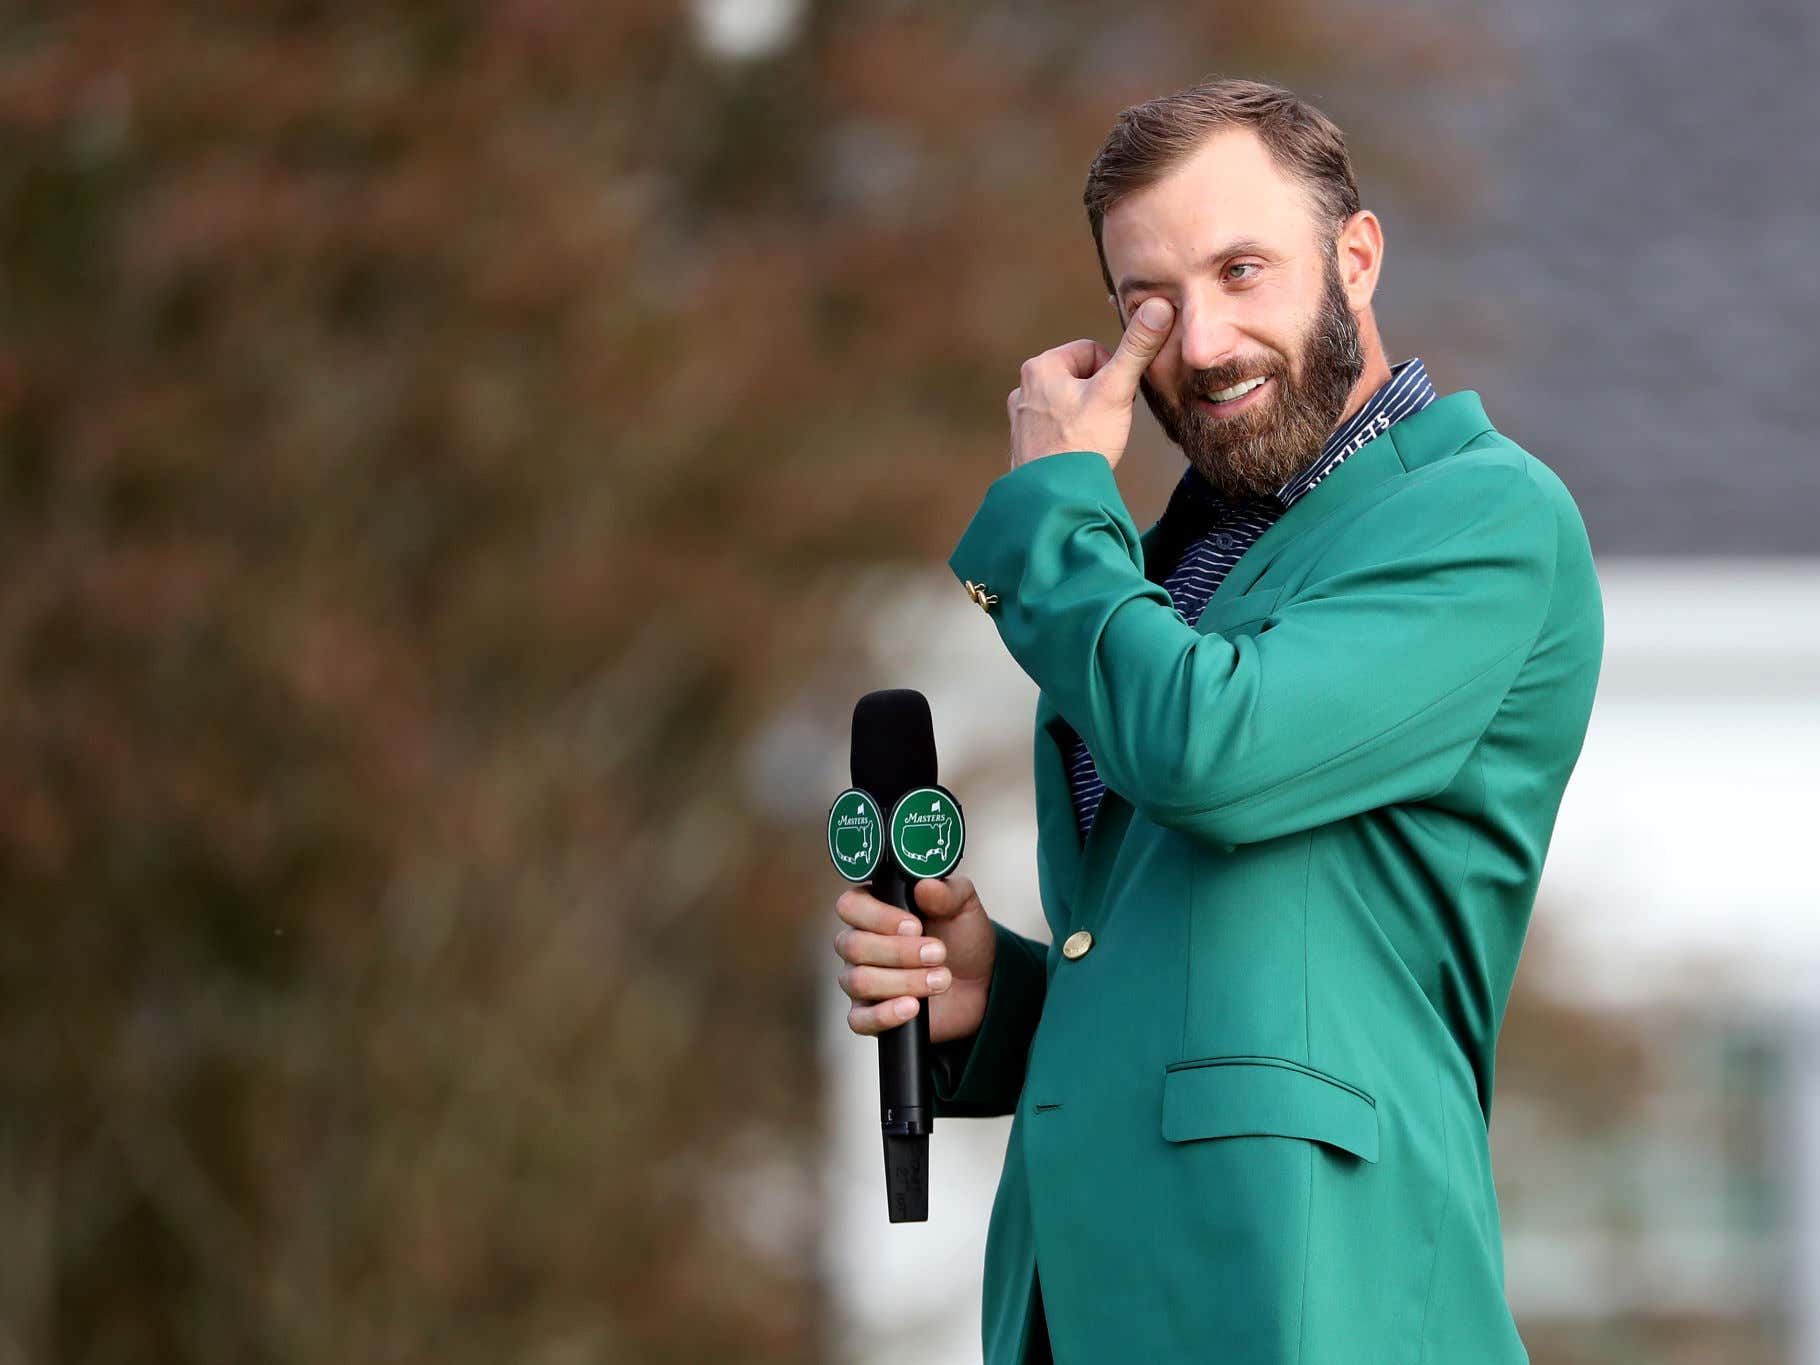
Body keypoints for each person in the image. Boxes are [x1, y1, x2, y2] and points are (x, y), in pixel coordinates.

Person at [832, 76, 1602, 1363]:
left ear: (1353, 256)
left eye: (1242, 270)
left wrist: (1057, 499)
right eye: (1152, 302)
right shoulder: (1168, 567)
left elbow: (1211, 758)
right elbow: (1222, 947)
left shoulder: (1480, 520)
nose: (1199, 344)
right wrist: (998, 1001)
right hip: (1095, 1295)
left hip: (1312, 1295)